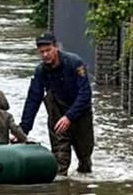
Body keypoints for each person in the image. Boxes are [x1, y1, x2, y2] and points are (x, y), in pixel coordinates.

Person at [19, 33, 94, 176]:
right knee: (60, 161)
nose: (45, 55)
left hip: (80, 114)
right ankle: (60, 188)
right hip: (57, 116)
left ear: (56, 47)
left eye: (48, 50)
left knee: (84, 158)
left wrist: (69, 117)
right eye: (42, 52)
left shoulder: (74, 63)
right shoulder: (41, 71)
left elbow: (85, 93)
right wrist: (23, 130)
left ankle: (83, 187)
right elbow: (33, 100)